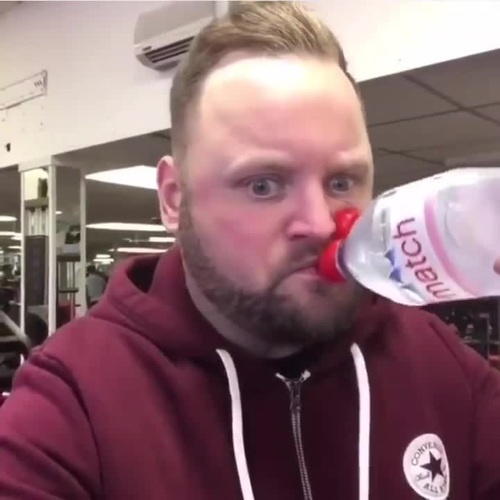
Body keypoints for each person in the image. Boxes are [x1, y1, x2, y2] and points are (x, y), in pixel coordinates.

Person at [0, 2, 499, 499]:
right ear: (174, 199)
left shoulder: (439, 363)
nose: (321, 224)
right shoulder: (73, 401)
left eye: (341, 181)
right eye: (263, 185)